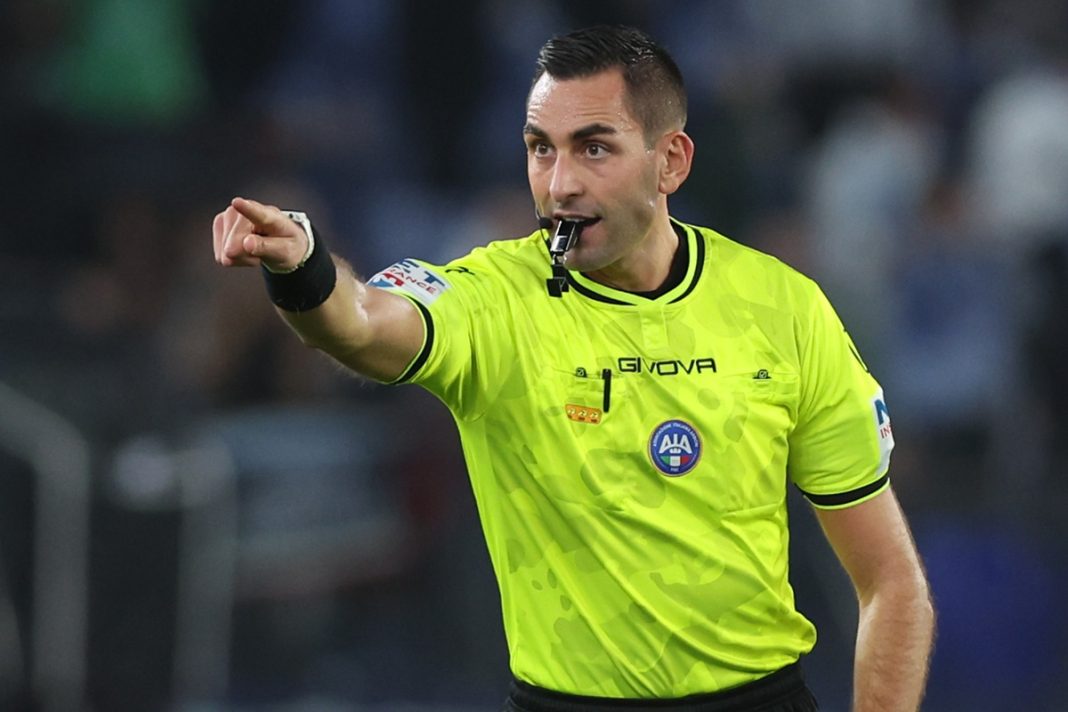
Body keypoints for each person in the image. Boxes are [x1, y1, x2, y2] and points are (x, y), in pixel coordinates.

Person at [213, 25, 934, 712]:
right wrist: (303, 267)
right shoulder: (494, 298)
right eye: (540, 149)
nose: (559, 184)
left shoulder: (782, 307)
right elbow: (362, 323)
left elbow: (891, 584)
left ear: (671, 161)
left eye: (593, 149)